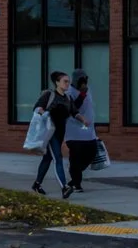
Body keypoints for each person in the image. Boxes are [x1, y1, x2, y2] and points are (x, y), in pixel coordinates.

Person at [30, 70, 75, 195]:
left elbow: (74, 112)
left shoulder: (68, 98)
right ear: (57, 82)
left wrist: (83, 120)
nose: (67, 84)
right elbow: (37, 107)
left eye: (69, 82)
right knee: (57, 158)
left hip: (60, 132)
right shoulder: (49, 95)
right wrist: (41, 112)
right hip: (50, 132)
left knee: (48, 158)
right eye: (65, 81)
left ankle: (37, 184)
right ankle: (64, 187)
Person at [63, 69, 101, 197]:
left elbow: (90, 110)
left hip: (88, 131)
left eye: (85, 79)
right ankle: (76, 184)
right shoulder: (69, 92)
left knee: (91, 153)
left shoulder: (88, 90)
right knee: (75, 157)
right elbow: (73, 109)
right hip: (74, 132)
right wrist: (82, 94)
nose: (84, 83)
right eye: (81, 80)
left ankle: (74, 176)